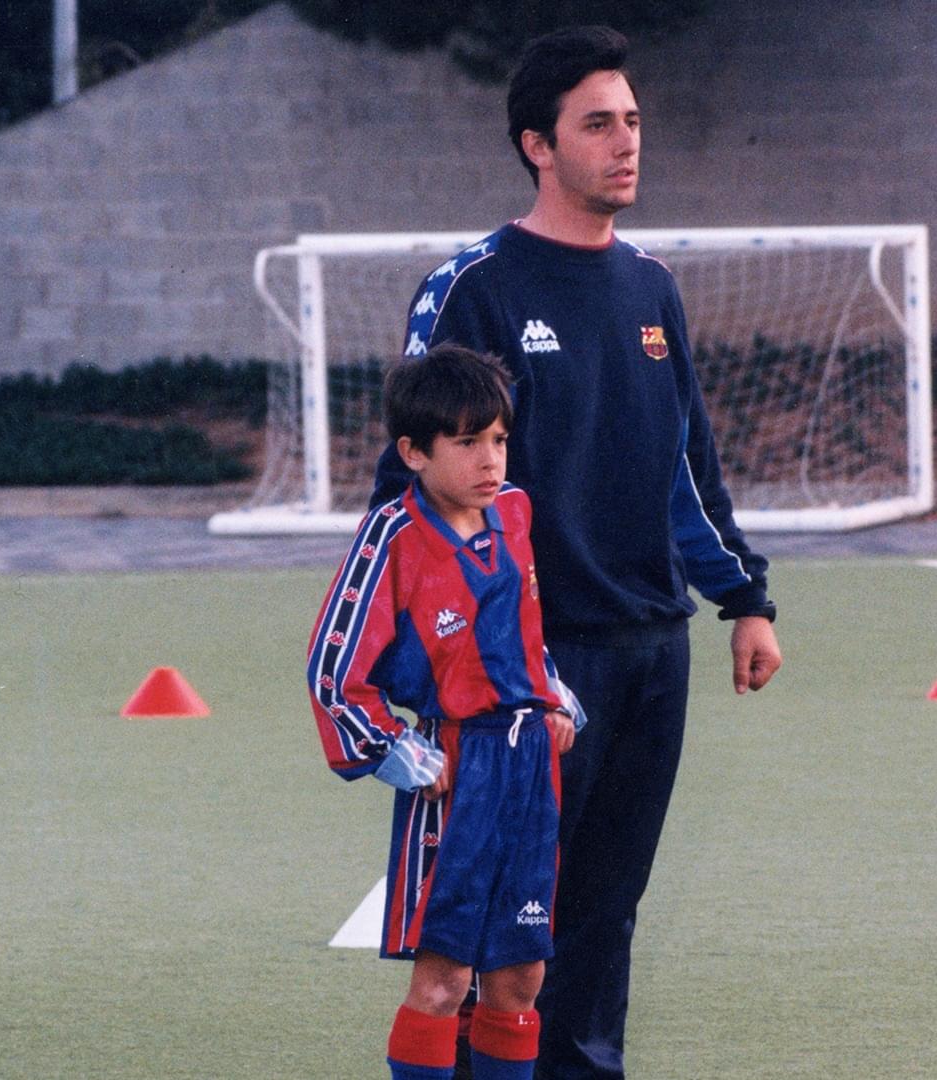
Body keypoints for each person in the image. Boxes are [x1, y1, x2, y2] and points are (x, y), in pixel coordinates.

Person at [373, 25, 783, 1080]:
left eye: (633, 121)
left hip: (653, 646)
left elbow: (685, 463)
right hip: (524, 668)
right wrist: (431, 660)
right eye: (598, 123)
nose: (626, 142)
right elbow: (405, 491)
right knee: (501, 929)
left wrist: (742, 596)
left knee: (606, 910)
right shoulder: (473, 289)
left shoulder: (651, 288)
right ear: (537, 146)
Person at [308, 344, 586, 1080]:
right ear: (414, 452)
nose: (491, 460)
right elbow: (333, 672)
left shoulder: (515, 516)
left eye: (498, 439)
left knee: (520, 979)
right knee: (444, 982)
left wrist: (549, 694)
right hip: (456, 772)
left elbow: (523, 632)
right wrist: (393, 747)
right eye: (467, 443)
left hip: (529, 768)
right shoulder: (391, 537)